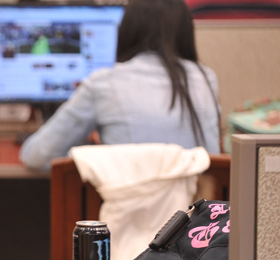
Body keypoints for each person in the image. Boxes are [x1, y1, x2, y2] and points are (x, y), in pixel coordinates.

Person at [19, 0, 221, 171]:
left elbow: (37, 156)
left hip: (127, 215)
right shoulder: (205, 79)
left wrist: (86, 156)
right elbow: (213, 160)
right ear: (186, 33)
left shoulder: (104, 83)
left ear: (127, 30)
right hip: (197, 215)